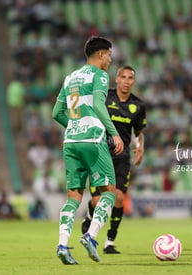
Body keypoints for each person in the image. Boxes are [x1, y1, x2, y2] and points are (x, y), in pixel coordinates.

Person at [52, 36, 124, 265]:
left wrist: (75, 126)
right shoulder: (100, 75)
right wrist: (113, 132)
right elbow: (97, 105)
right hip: (93, 139)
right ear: (101, 54)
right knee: (109, 191)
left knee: (74, 194)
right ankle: (91, 237)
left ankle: (63, 244)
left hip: (71, 141)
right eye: (109, 54)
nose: (111, 59)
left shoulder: (70, 77)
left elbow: (56, 113)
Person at [81, 65, 147, 254]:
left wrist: (140, 147)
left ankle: (109, 241)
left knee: (118, 198)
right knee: (97, 201)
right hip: (100, 153)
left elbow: (139, 133)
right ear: (116, 79)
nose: (126, 81)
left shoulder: (138, 105)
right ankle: (89, 214)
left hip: (122, 156)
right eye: (123, 77)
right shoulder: (104, 97)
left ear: (133, 81)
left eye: (130, 78)